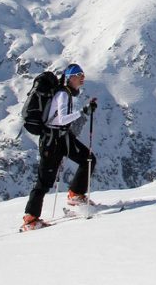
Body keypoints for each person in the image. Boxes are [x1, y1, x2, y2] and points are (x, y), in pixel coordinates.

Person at [21, 63, 98, 231]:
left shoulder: (66, 94)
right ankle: (30, 218)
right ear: (70, 77)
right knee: (44, 181)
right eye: (79, 75)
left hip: (61, 138)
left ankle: (76, 194)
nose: (82, 78)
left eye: (83, 75)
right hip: (53, 140)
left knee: (88, 158)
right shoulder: (63, 94)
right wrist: (83, 111)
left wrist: (85, 111)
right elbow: (60, 119)